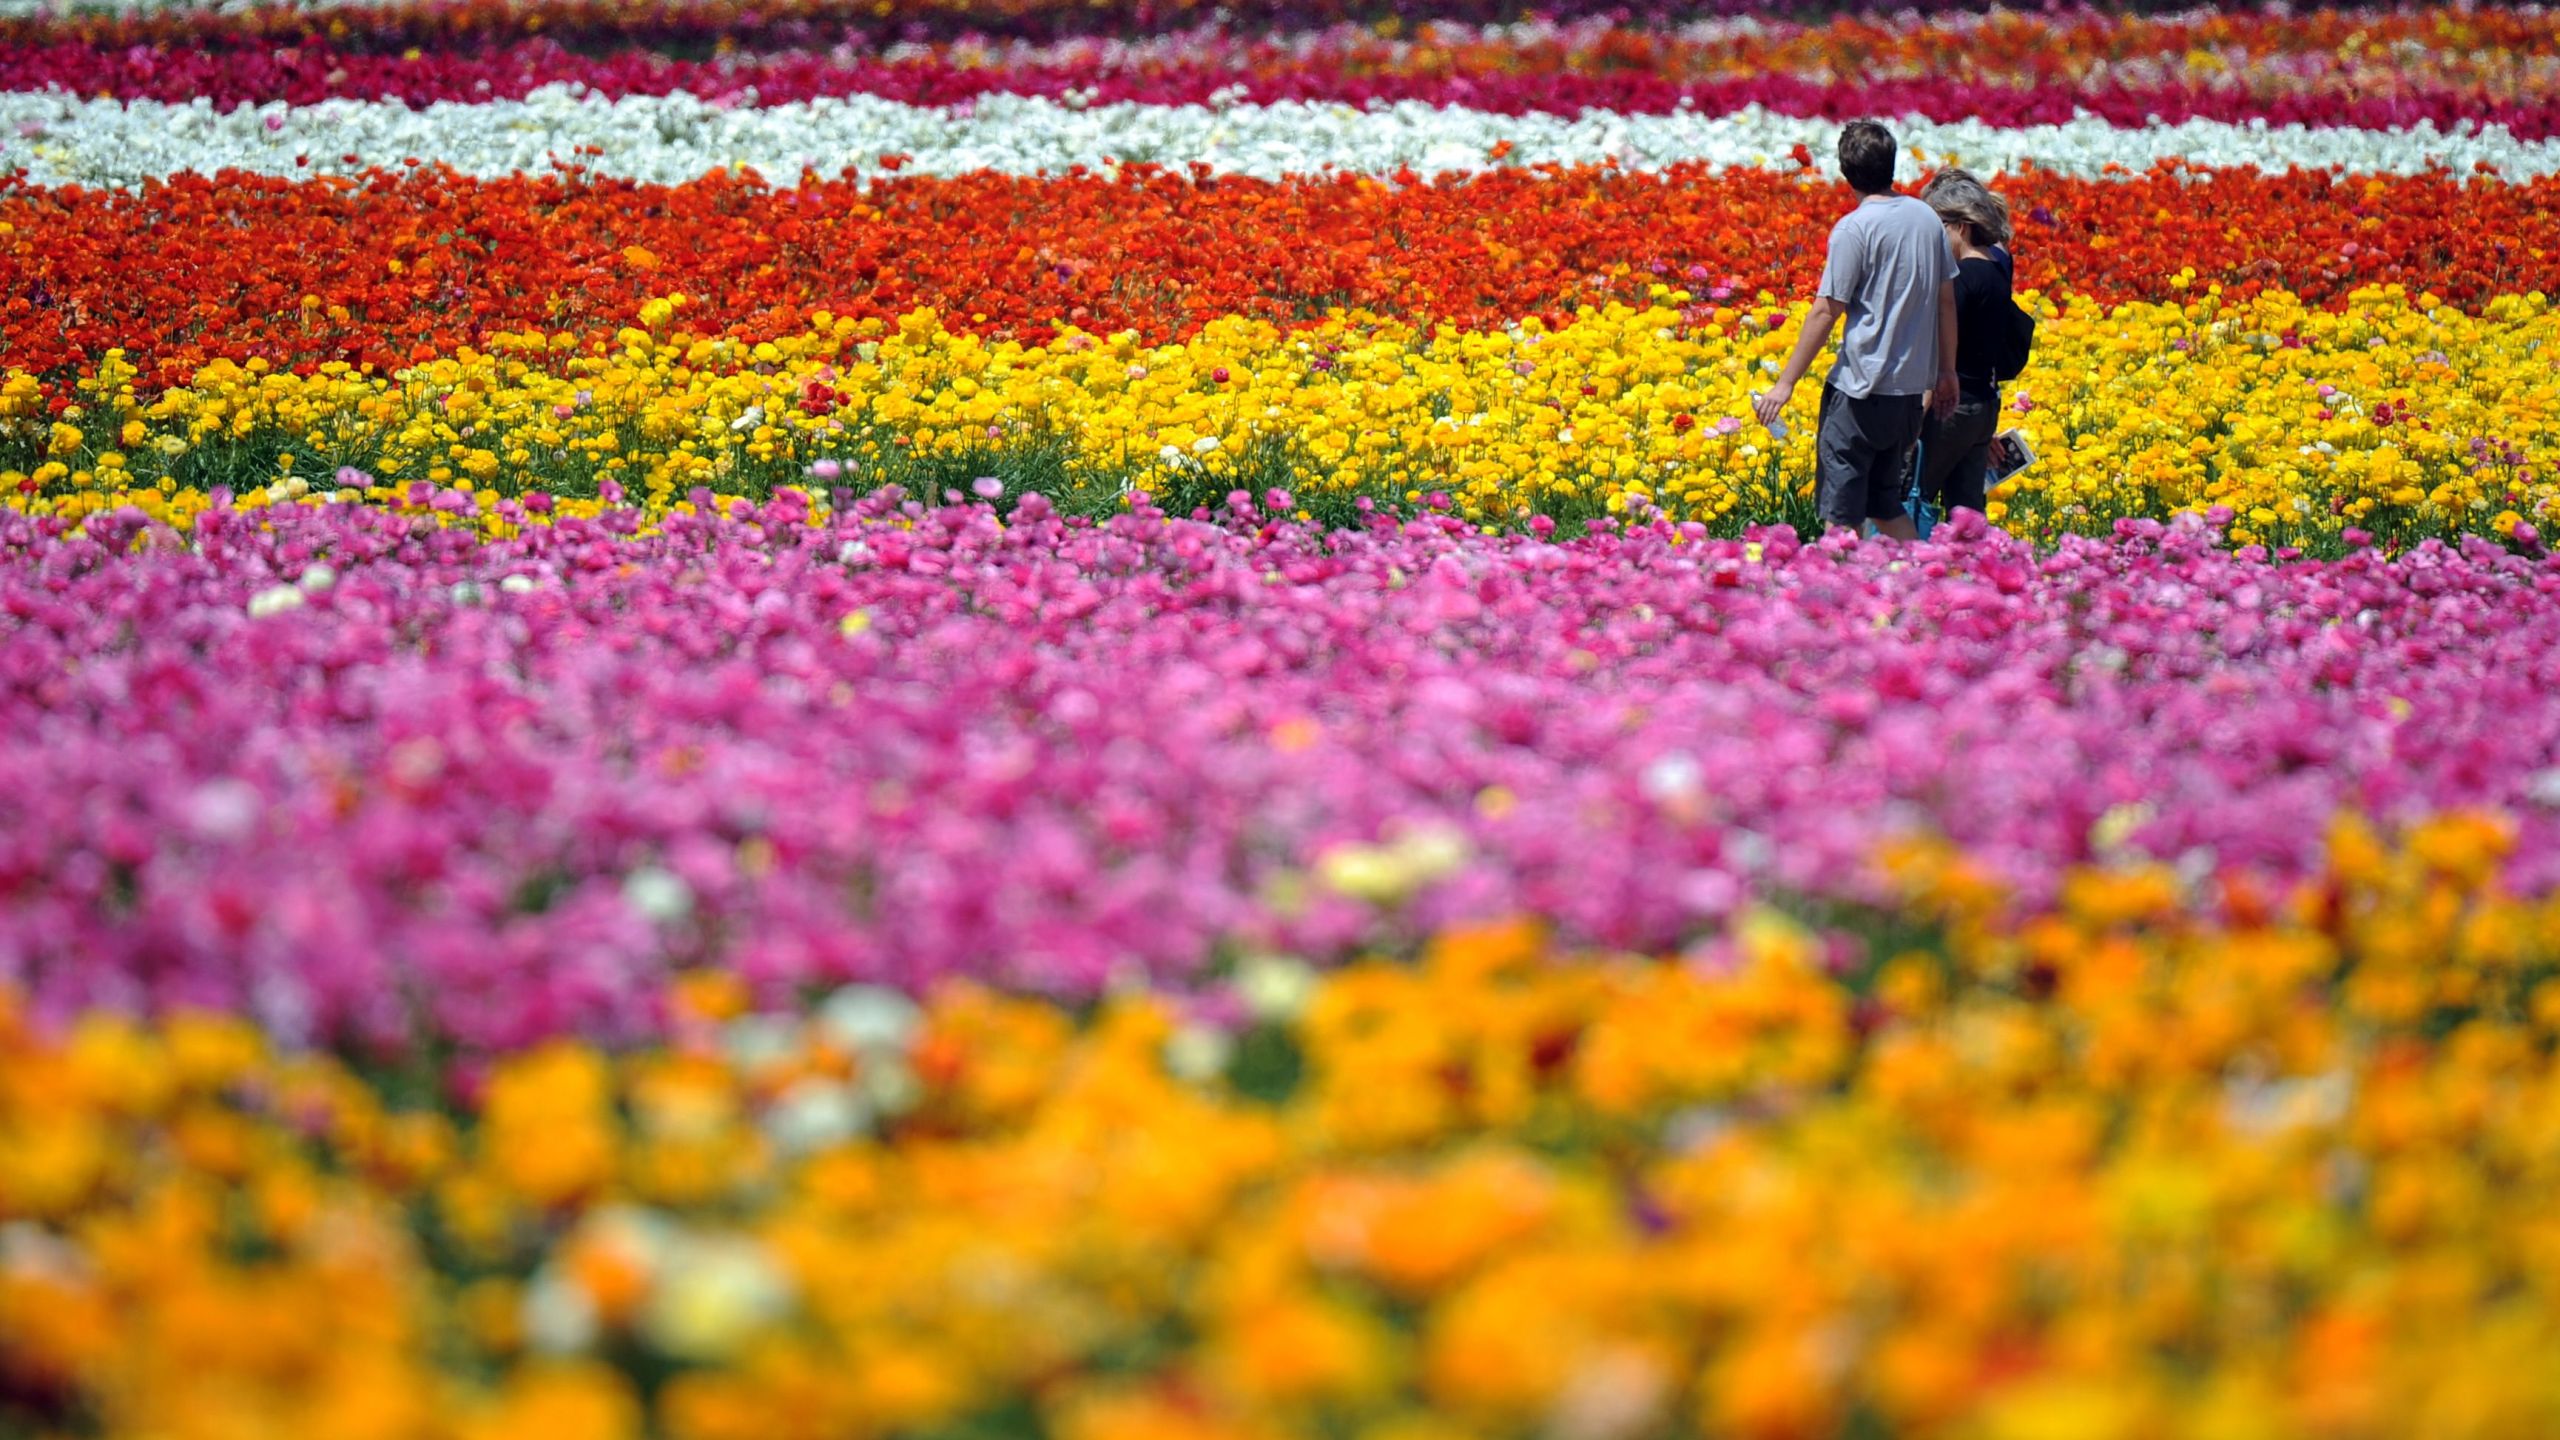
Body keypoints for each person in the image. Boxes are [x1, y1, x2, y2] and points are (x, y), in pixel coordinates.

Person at [1751, 120, 1957, 543]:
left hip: (1861, 390)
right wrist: (1947, 371)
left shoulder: (1854, 228)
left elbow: (1826, 310)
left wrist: (1784, 384)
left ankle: (1834, 598)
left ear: (1845, 172)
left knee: (1841, 516)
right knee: (1884, 505)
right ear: (1892, 164)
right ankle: (1925, 574)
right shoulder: (1926, 219)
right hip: (1907, 396)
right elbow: (1945, 301)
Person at [1907, 168, 2014, 519]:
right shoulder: (1998, 269)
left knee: (1912, 496)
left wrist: (1911, 422)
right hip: (1983, 406)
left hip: (1947, 407)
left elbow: (1937, 351)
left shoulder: (1961, 279)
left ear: (1962, 227)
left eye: (1941, 228)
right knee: (1967, 511)